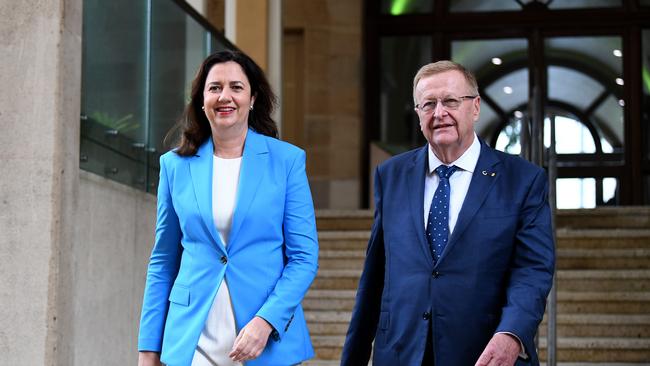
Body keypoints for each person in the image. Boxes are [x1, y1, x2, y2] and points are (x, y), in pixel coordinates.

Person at [341, 61, 555, 366]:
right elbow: (375, 276)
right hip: (402, 352)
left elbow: (533, 271)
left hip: (485, 352)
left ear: (475, 107)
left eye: (451, 101)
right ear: (418, 114)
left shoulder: (522, 179)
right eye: (428, 104)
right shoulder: (391, 174)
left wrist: (512, 333)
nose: (439, 113)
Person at [137, 50, 319, 366]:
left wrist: (267, 321)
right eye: (215, 87)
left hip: (264, 340)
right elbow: (164, 260)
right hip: (192, 339)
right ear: (201, 99)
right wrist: (148, 349)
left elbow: (304, 258)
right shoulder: (175, 166)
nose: (225, 96)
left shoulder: (287, 161)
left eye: (236, 87)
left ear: (252, 98)